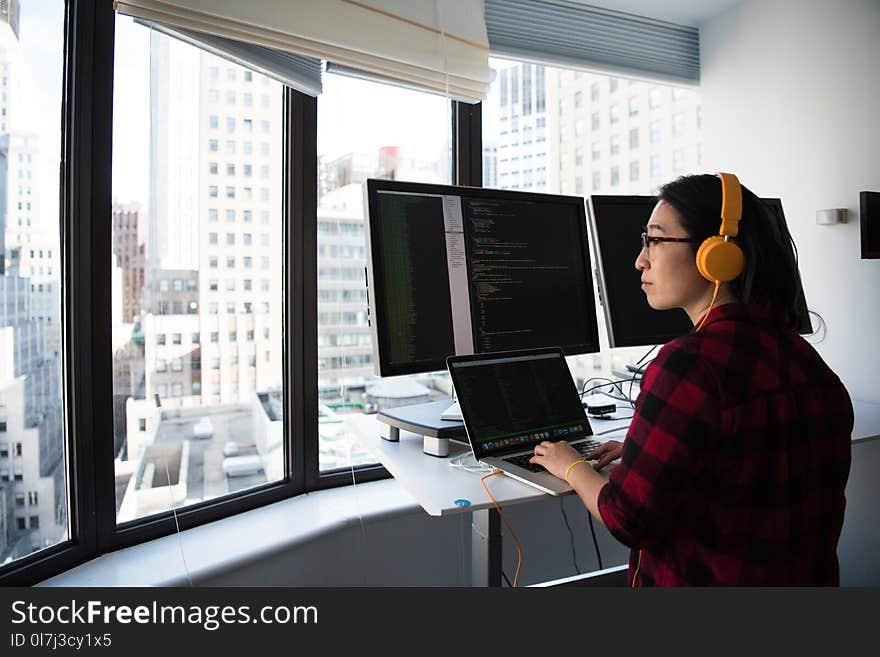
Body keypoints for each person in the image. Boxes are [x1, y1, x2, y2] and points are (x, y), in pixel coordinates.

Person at [530, 173, 853, 586]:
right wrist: (646, 448)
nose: (640, 260)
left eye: (655, 240)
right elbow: (750, 458)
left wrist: (571, 464)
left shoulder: (689, 366)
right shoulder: (807, 361)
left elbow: (628, 519)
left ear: (716, 255)